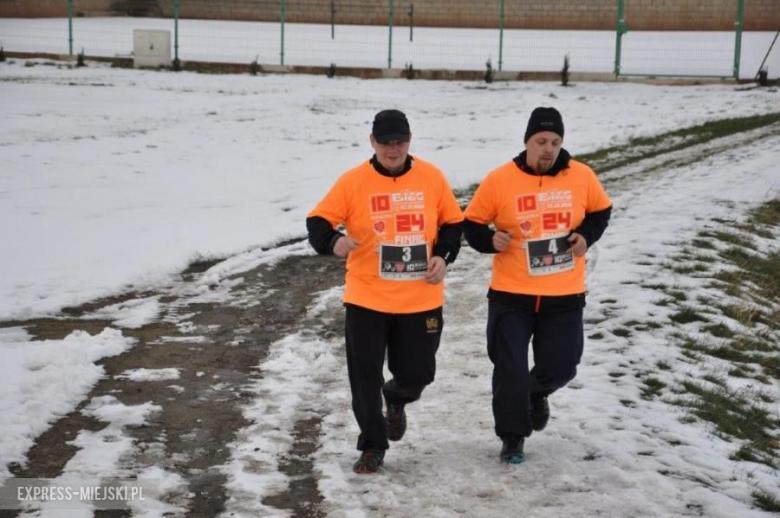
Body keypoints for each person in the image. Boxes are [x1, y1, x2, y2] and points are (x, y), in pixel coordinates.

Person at [306, 109, 464, 473]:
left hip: (420, 297)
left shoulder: (431, 177)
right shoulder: (353, 181)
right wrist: (334, 240)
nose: (394, 150)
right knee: (364, 378)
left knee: (419, 373)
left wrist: (443, 255)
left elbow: (453, 223)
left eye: (401, 142)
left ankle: (397, 397)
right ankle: (372, 445)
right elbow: (317, 222)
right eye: (386, 143)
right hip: (366, 297)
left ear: (409, 142)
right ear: (372, 142)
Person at [463, 107, 612, 464]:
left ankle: (536, 393)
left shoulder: (582, 176)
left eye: (556, 142)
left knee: (564, 366)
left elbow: (600, 211)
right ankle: (512, 436)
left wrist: (585, 236)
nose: (548, 149)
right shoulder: (500, 179)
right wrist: (489, 240)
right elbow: (471, 223)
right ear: (527, 142)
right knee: (509, 366)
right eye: (541, 141)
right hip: (511, 295)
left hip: (564, 294)